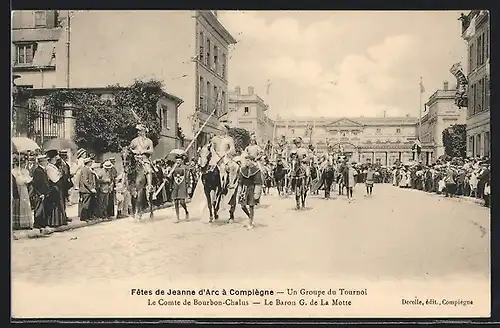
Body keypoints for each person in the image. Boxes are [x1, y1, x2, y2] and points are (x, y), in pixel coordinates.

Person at [129, 124, 155, 199]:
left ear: (144, 132)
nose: (139, 132)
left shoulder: (149, 141)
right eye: (138, 131)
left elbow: (152, 151)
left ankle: (149, 186)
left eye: (141, 131)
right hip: (135, 159)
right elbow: (130, 149)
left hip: (144, 159)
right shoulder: (134, 141)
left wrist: (144, 151)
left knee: (149, 170)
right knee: (128, 170)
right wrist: (134, 151)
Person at [237, 153, 263, 230]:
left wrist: (256, 193)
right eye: (246, 161)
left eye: (248, 161)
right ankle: (250, 216)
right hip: (244, 189)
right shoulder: (242, 170)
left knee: (251, 206)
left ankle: (250, 222)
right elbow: (240, 181)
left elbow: (258, 182)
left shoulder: (256, 170)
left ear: (252, 161)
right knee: (242, 206)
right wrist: (240, 189)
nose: (246, 162)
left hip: (252, 189)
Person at [210, 123, 236, 191]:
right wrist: (215, 155)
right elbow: (212, 148)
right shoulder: (214, 138)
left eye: (221, 130)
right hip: (215, 156)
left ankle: (230, 183)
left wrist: (226, 153)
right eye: (218, 130)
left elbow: (232, 148)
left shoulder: (229, 139)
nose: (219, 131)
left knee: (231, 167)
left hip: (225, 156)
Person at [45, 150, 67, 227]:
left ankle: (60, 220)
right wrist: (60, 175)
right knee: (55, 204)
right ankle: (54, 222)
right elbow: (54, 179)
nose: (56, 160)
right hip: (54, 187)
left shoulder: (53, 167)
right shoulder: (49, 168)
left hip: (58, 187)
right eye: (55, 158)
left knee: (59, 204)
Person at [12, 156, 33, 230]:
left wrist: (26, 179)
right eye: (23, 163)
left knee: (25, 203)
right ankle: (17, 223)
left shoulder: (25, 171)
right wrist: (20, 177)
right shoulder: (14, 171)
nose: (24, 164)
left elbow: (28, 179)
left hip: (24, 189)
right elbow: (19, 181)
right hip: (17, 189)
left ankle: (26, 222)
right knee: (18, 204)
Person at [170, 154, 190, 223]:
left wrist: (188, 185)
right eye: (177, 160)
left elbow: (188, 177)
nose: (178, 161)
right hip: (175, 185)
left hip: (182, 186)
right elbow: (171, 177)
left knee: (182, 202)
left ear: (182, 161)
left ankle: (186, 212)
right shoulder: (173, 167)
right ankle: (177, 217)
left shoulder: (185, 167)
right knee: (175, 202)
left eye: (179, 160)